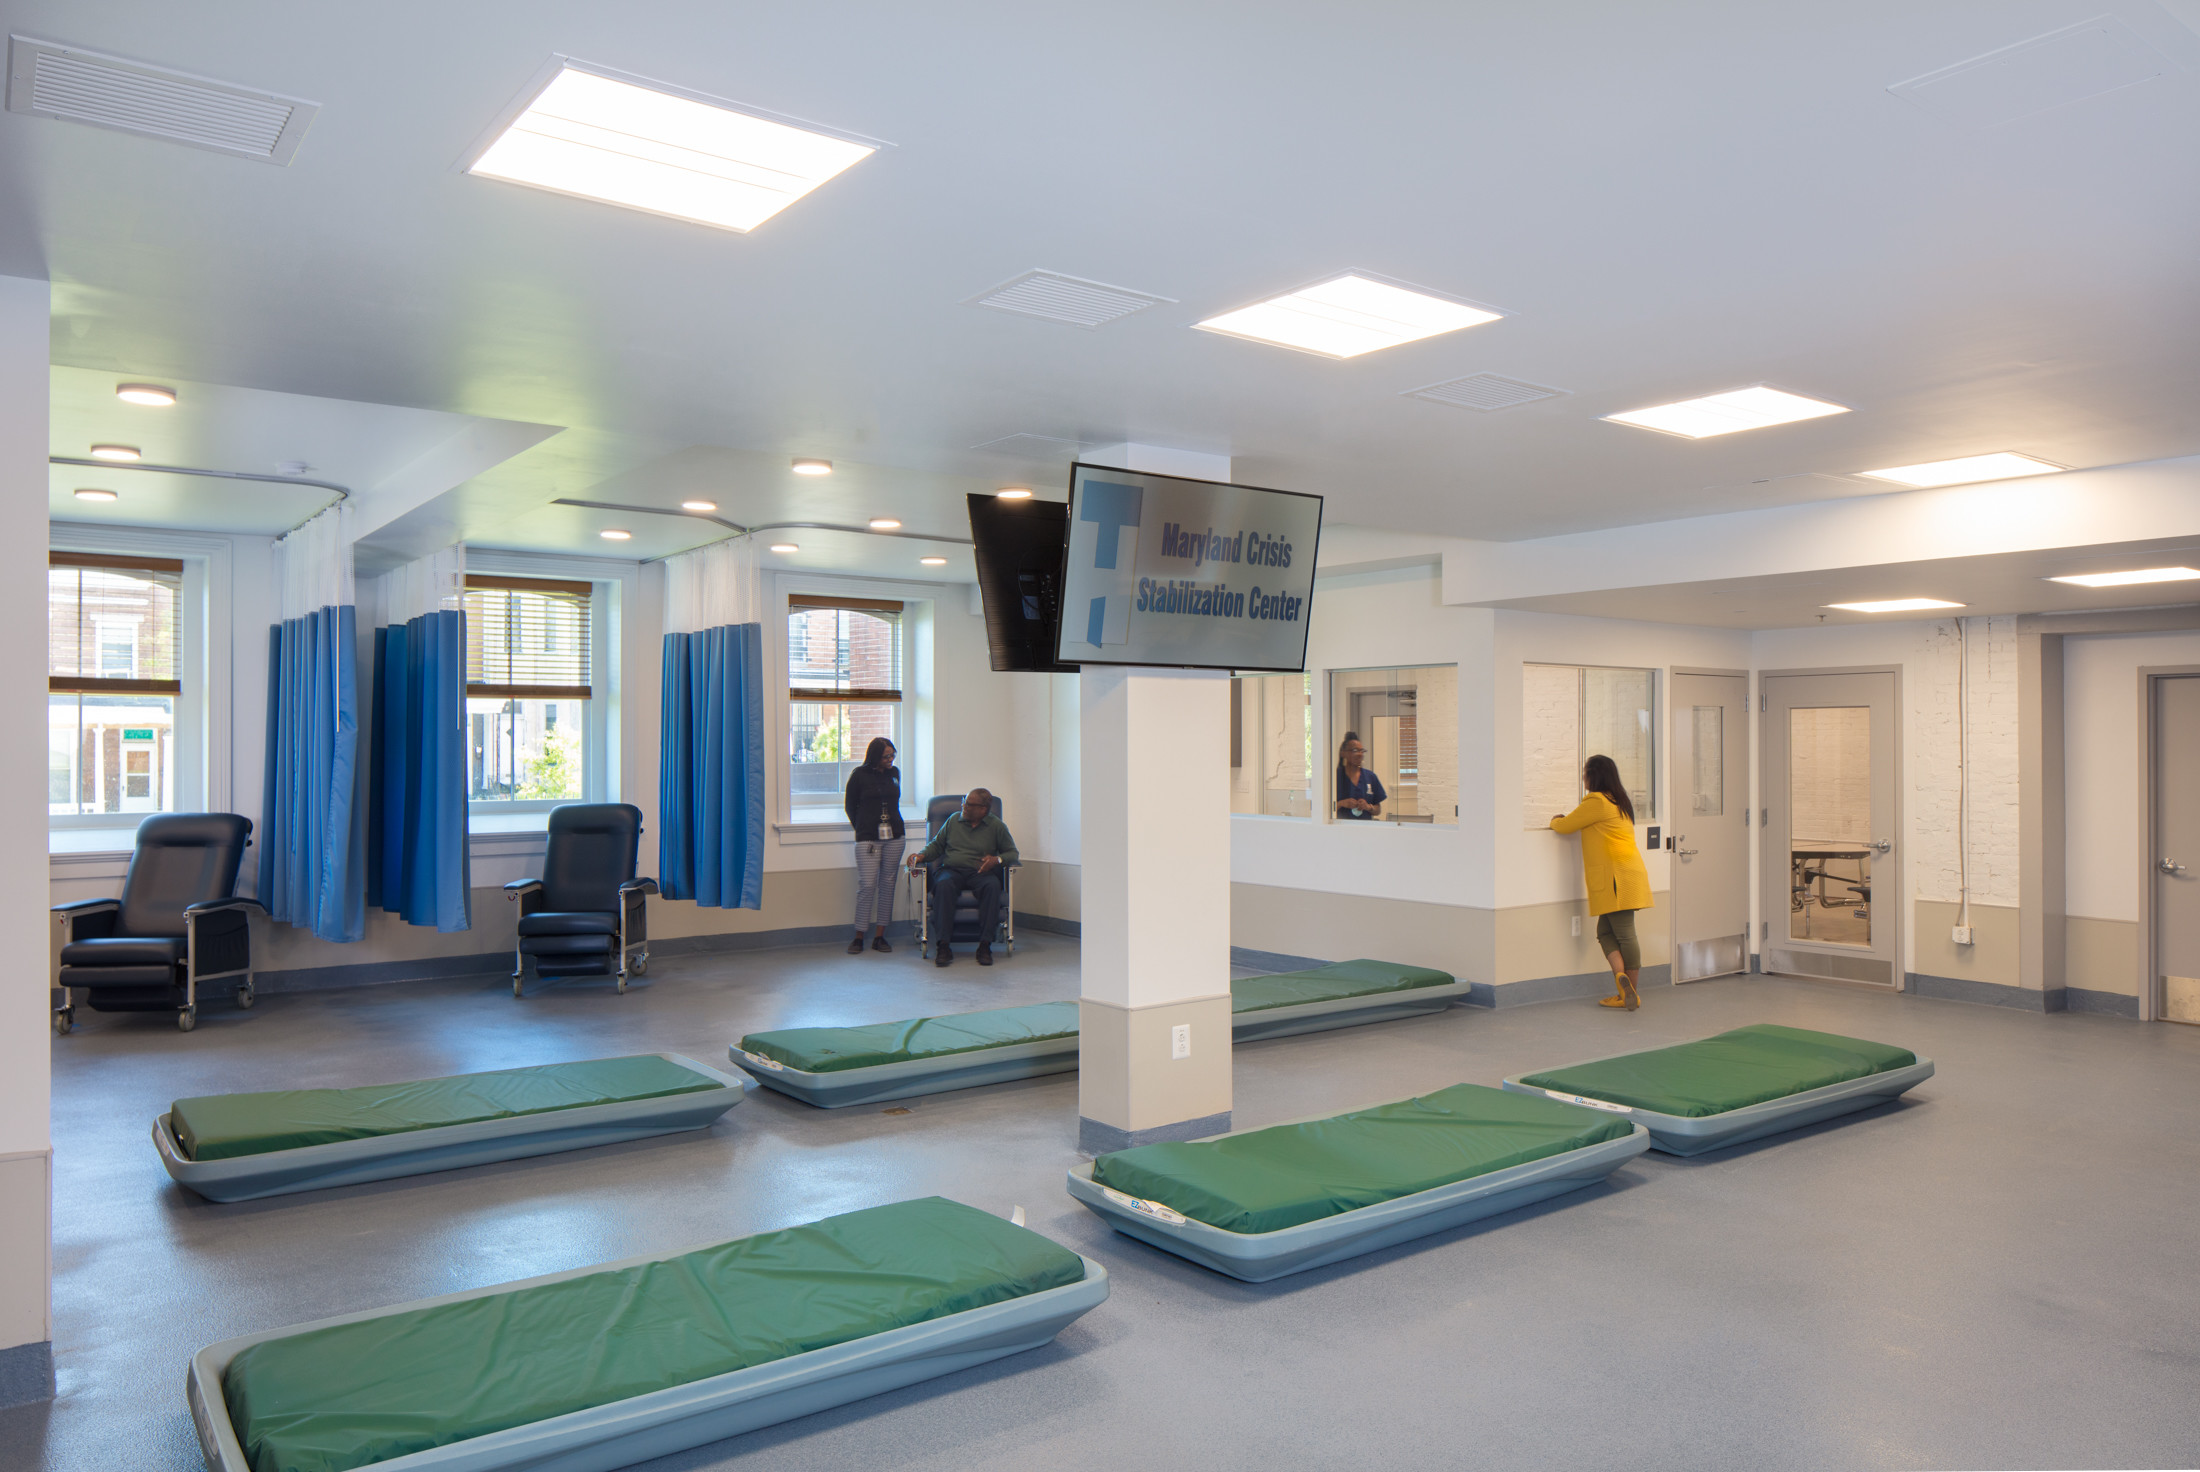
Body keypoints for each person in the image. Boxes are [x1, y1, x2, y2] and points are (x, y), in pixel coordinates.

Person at [1551, 754, 1654, 1010]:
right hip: (1628, 872)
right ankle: (1622, 985)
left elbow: (1565, 826)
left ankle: (1630, 992)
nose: (1583, 777)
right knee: (1605, 932)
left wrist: (1555, 820)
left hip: (1615, 877)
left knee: (1625, 933)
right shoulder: (1619, 800)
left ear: (1593, 775)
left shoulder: (1596, 800)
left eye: (1585, 772)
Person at [906, 788, 1018, 967]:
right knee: (943, 886)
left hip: (980, 872)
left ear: (983, 809)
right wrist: (920, 856)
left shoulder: (996, 826)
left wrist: (997, 859)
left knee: (992, 886)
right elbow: (936, 845)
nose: (963, 807)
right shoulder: (953, 820)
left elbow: (1012, 853)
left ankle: (985, 945)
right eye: (964, 802)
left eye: (968, 804)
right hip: (952, 869)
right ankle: (943, 945)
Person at [844, 737, 904, 954]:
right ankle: (859, 936)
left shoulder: (894, 773)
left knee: (888, 884)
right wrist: (863, 826)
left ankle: (880, 936)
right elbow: (850, 806)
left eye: (892, 755)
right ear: (875, 756)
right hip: (868, 836)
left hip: (895, 835)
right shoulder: (859, 776)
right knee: (868, 885)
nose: (890, 760)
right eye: (886, 756)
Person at [1335, 731, 1386, 820]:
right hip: (1341, 829)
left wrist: (1368, 807)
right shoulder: (1334, 777)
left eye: (1361, 751)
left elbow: (1378, 810)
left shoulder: (1371, 777)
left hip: (1365, 828)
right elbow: (1323, 808)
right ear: (1343, 753)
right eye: (1355, 750)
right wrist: (1342, 803)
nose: (1360, 754)